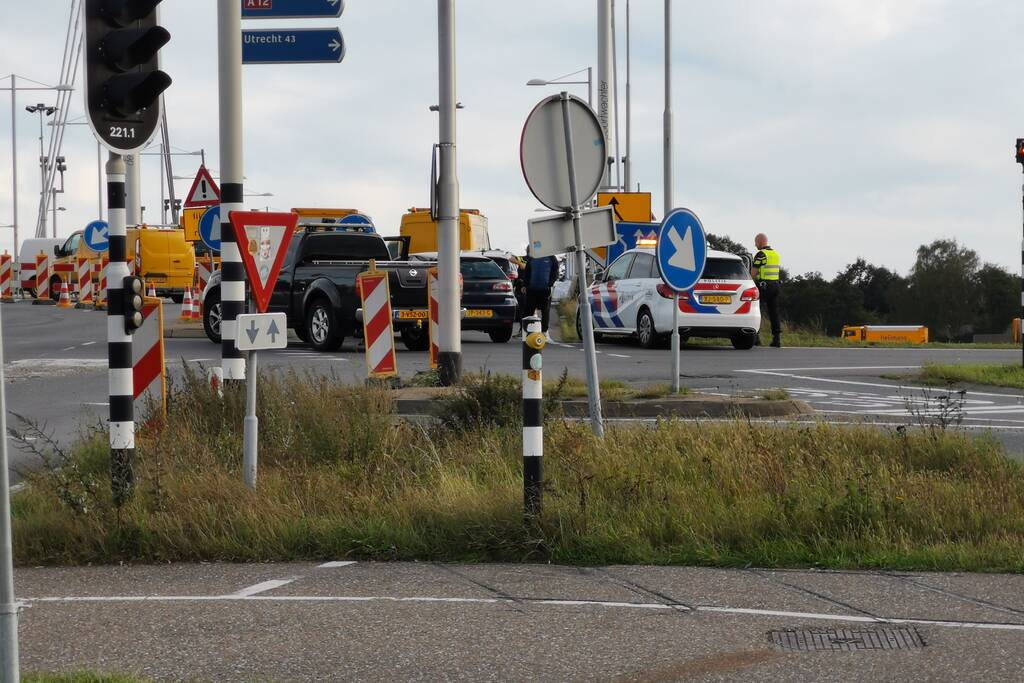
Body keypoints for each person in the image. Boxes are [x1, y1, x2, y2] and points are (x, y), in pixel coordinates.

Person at [751, 233, 782, 348]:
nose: (755, 245)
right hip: (775, 286)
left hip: (763, 287)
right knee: (774, 312)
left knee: (757, 311)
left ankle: (756, 338)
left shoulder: (761, 254)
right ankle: (777, 338)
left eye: (755, 242)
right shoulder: (775, 254)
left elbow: (753, 273)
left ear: (759, 242)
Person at [521, 246, 559, 339]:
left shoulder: (550, 257)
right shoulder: (535, 257)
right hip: (535, 289)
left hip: (542, 289)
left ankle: (540, 332)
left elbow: (555, 272)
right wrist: (525, 285)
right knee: (532, 311)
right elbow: (527, 272)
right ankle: (531, 332)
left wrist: (550, 284)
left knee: (541, 311)